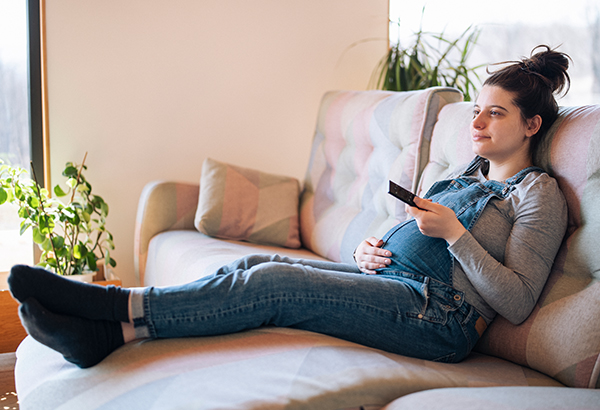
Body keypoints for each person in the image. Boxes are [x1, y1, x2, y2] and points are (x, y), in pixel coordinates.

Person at [9, 45, 570, 369]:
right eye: (478, 109)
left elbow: (518, 301)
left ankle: (112, 311)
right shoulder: (465, 174)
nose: (476, 123)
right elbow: (408, 237)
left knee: (271, 284)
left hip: (439, 319)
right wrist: (368, 250)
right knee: (250, 266)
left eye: (495, 114)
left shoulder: (536, 193)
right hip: (394, 286)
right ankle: (111, 334)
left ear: (530, 124)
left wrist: (454, 236)